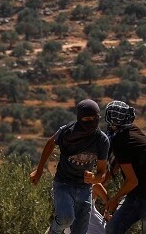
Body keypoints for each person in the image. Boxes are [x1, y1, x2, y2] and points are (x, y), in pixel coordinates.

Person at [87, 100, 146, 234]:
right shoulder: (127, 132)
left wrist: (115, 200)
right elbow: (115, 166)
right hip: (136, 195)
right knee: (112, 229)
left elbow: (132, 181)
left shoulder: (122, 141)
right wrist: (97, 181)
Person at [31, 99, 110, 234]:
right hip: (63, 184)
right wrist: (39, 172)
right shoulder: (67, 132)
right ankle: (53, 232)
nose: (91, 122)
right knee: (66, 219)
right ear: (79, 118)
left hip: (85, 189)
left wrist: (94, 178)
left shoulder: (102, 140)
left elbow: (102, 172)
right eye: (87, 119)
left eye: (94, 118)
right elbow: (50, 144)